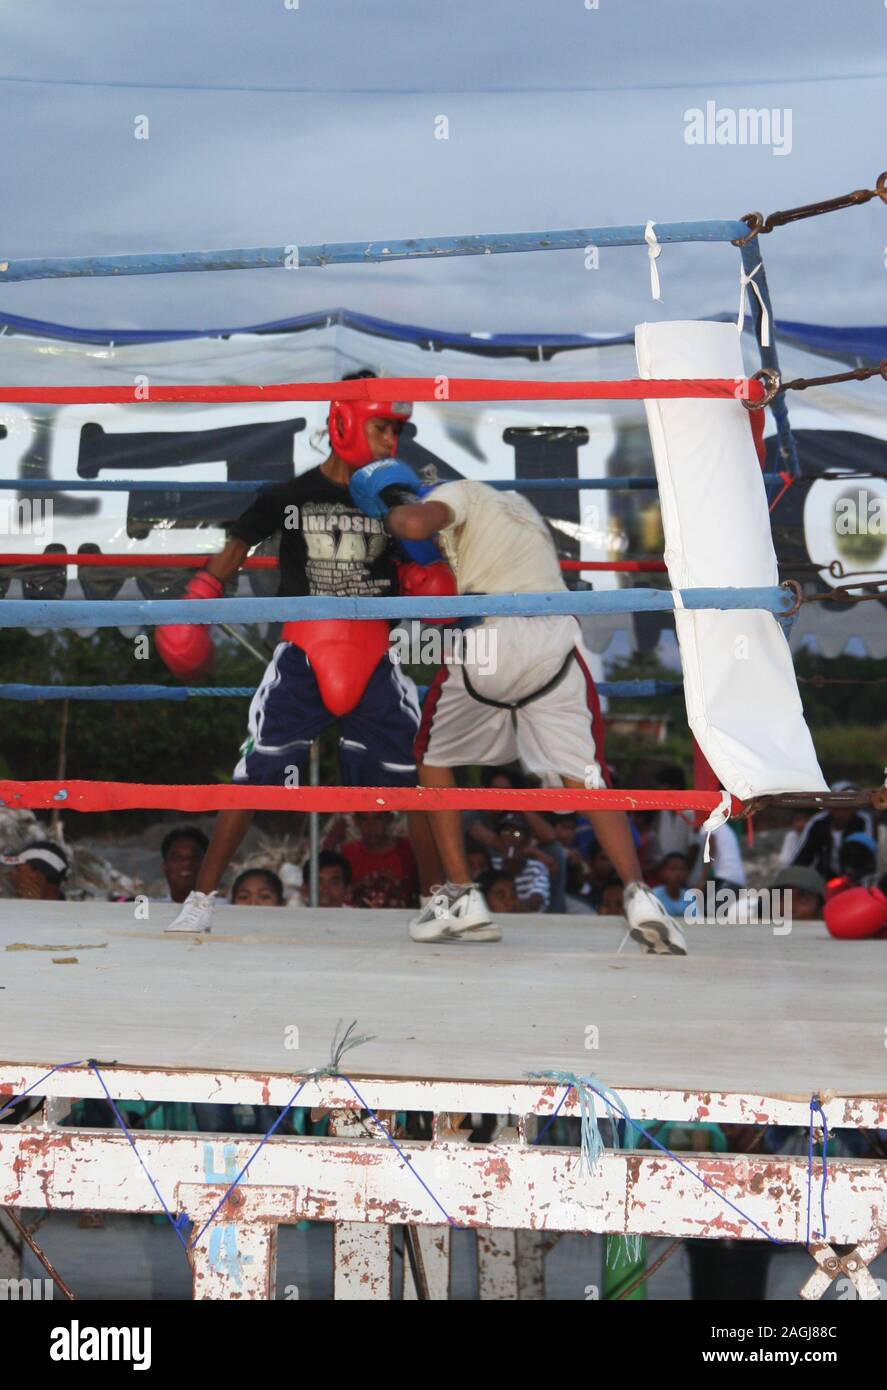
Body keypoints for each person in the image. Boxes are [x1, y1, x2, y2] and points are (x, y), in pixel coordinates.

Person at [348, 462, 687, 953]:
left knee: (433, 757)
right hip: (556, 640)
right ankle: (640, 897)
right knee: (586, 776)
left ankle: (463, 898)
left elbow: (413, 524)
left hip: (491, 636)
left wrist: (394, 517)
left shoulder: (456, 496)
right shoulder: (516, 506)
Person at [162, 376, 432, 934]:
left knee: (416, 780)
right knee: (253, 775)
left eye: (398, 431)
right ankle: (201, 901)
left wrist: (428, 572)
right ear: (344, 423)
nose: (390, 443)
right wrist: (196, 605)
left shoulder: (399, 506)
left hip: (376, 655)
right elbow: (233, 552)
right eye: (382, 427)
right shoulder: (289, 497)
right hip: (305, 655)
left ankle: (443, 899)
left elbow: (426, 573)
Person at [327, 811, 418, 908]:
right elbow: (324, 879)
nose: (371, 826)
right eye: (364, 819)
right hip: (357, 920)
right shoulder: (348, 853)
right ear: (356, 821)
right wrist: (330, 843)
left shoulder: (408, 850)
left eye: (378, 818)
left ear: (389, 819)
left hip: (401, 919)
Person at [790, 782, 876, 880]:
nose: (844, 811)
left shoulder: (863, 821)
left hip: (856, 880)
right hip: (825, 879)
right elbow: (802, 856)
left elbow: (868, 855)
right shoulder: (818, 823)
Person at [487, 812, 550, 912]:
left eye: (517, 834)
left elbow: (536, 901)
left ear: (527, 841)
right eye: (505, 833)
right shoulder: (491, 865)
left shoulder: (537, 868)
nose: (510, 838)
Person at [160, 827, 208, 903]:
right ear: (164, 866)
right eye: (178, 857)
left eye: (195, 857)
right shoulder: (149, 910)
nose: (187, 863)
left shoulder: (225, 909)